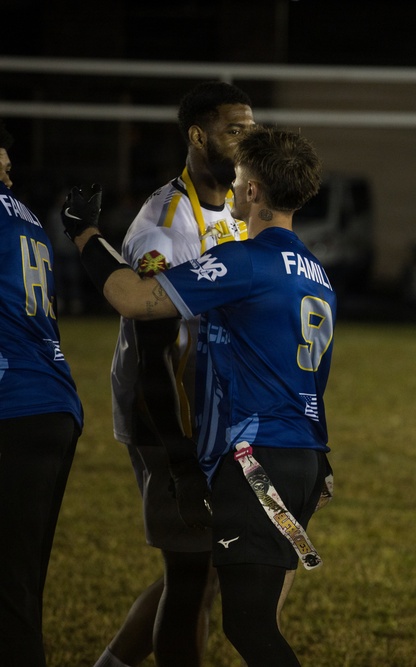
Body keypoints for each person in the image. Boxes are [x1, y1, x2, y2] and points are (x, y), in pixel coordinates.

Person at [63, 126, 333, 667]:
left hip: (257, 461)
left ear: (254, 192)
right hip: (303, 457)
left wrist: (85, 233)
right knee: (235, 608)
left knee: (250, 626)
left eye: (240, 179)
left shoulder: (245, 262)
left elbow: (134, 299)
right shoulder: (317, 273)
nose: (233, 186)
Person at [93, 81, 255, 667]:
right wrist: (179, 453)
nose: (247, 141)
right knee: (192, 573)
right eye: (234, 130)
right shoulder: (164, 223)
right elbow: (152, 352)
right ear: (197, 135)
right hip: (168, 418)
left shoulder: (239, 212)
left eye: (251, 129)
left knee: (202, 572)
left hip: (214, 417)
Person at [0, 118, 84, 666]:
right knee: (18, 593)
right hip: (52, 402)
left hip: (12, 407)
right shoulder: (25, 217)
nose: (8, 178)